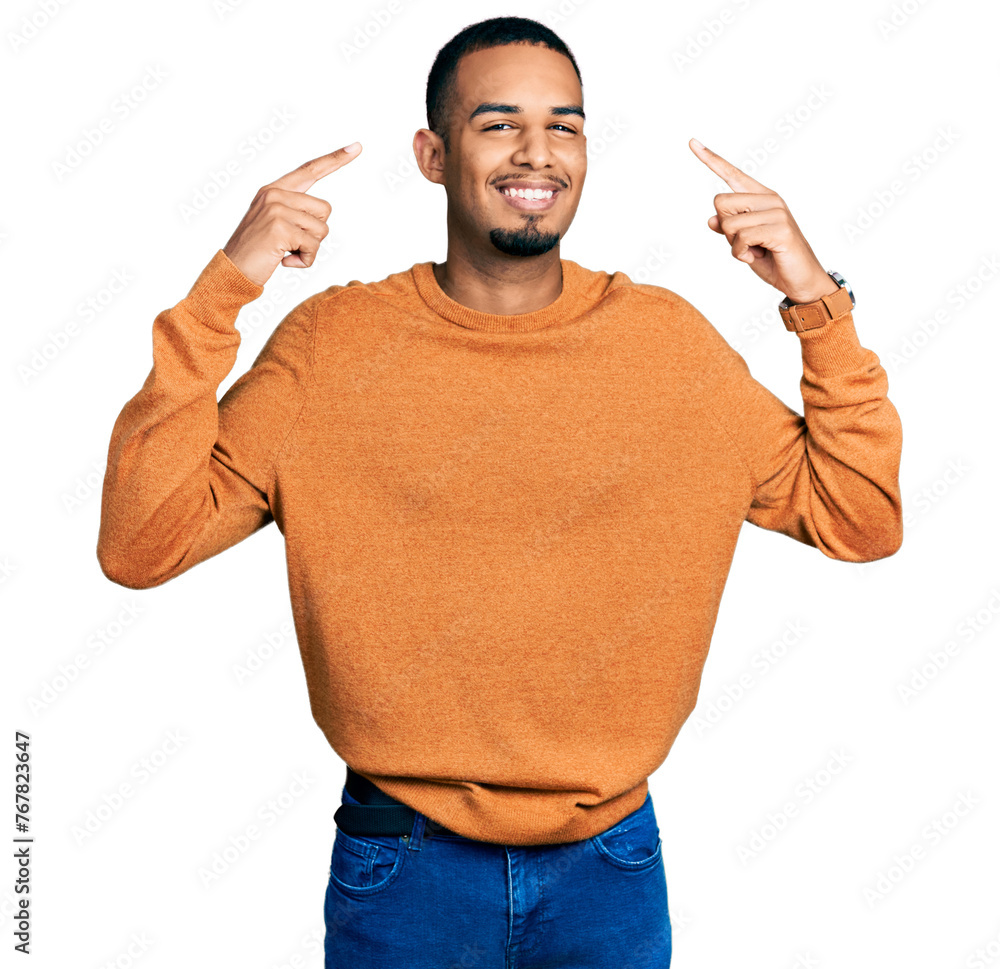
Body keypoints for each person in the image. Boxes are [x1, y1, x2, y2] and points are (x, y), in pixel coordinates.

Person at [97, 15, 903, 969]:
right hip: (402, 866)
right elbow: (141, 543)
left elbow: (861, 518)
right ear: (433, 155)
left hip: (610, 866)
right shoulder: (332, 347)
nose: (538, 153)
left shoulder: (669, 347)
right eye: (498, 123)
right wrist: (227, 286)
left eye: (565, 125)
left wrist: (816, 302)